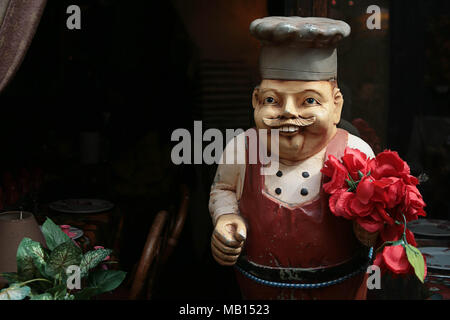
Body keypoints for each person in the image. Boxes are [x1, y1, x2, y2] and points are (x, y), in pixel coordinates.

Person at [209, 17, 377, 300]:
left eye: (309, 101)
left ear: (335, 106)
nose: (288, 112)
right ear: (256, 101)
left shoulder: (356, 153)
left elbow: (373, 222)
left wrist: (367, 229)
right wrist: (226, 216)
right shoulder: (242, 149)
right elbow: (223, 188)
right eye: (273, 100)